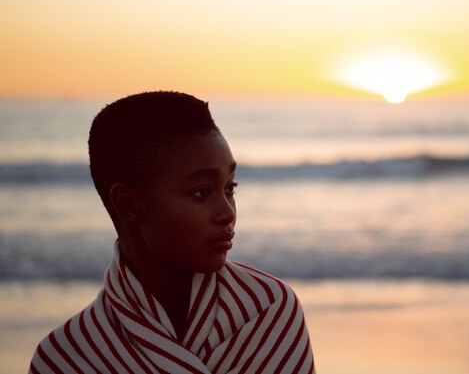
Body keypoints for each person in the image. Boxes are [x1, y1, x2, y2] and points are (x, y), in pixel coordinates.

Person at [29, 91, 315, 374]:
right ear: (129, 204)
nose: (227, 212)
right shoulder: (66, 358)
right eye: (202, 192)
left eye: (230, 188)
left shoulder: (268, 309)